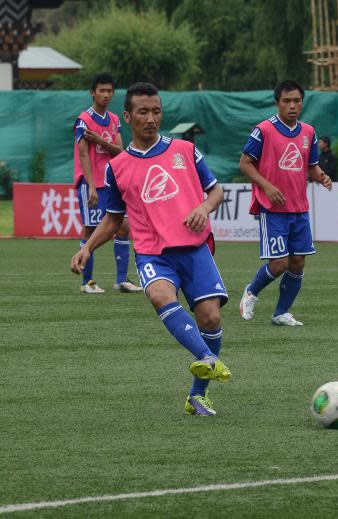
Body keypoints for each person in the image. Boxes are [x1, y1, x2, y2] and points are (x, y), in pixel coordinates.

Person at [70, 82, 232, 417]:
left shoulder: (185, 150)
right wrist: (87, 248)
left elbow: (216, 191)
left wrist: (203, 208)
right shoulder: (118, 167)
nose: (151, 118)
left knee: (211, 317)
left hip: (195, 249)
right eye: (143, 111)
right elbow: (114, 219)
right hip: (153, 254)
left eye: (156, 111)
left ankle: (197, 396)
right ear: (127, 116)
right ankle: (207, 358)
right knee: (160, 295)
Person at [238, 80, 332, 326]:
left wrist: (321, 176)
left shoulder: (308, 132)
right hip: (273, 208)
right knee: (279, 263)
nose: (292, 106)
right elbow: (245, 163)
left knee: (298, 263)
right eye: (286, 101)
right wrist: (267, 186)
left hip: (299, 207)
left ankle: (281, 312)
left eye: (297, 101)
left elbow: (311, 166)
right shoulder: (264, 130)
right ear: (277, 103)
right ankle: (251, 292)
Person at [73, 72, 141, 294]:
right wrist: (91, 185)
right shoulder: (84, 120)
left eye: (109, 90)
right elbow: (83, 156)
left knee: (123, 226)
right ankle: (87, 282)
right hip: (91, 182)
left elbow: (119, 151)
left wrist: (101, 140)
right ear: (93, 93)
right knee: (90, 229)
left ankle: (121, 280)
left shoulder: (113, 119)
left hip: (112, 181)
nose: (106, 94)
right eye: (101, 90)